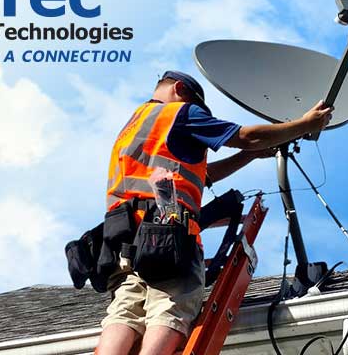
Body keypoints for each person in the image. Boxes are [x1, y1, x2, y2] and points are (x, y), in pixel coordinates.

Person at [96, 70, 332, 355]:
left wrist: (249, 156)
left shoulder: (135, 124)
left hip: (123, 240)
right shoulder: (181, 113)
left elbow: (198, 175)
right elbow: (246, 136)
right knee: (171, 307)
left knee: (125, 312)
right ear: (180, 89)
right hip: (166, 235)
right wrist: (304, 124)